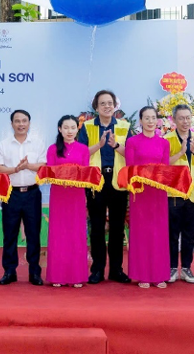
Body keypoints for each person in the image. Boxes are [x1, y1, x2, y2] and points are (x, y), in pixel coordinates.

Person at [78, 90, 131, 284]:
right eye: (103, 103)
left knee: (117, 228)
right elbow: (81, 153)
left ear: (115, 106)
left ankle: (116, 270)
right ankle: (98, 269)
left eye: (110, 103)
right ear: (96, 107)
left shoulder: (125, 127)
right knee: (97, 227)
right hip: (96, 182)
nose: (107, 106)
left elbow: (132, 155)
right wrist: (99, 145)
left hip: (118, 180)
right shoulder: (88, 127)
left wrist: (116, 145)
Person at [0, 109, 46, 286]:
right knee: (10, 234)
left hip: (32, 193)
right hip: (11, 194)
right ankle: (9, 271)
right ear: (11, 124)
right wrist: (15, 169)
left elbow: (44, 166)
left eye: (24, 121)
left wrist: (28, 166)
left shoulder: (38, 143)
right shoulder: (3, 144)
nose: (21, 124)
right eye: (17, 121)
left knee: (33, 234)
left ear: (29, 123)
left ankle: (34, 272)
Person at [124, 106, 171, 289]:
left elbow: (165, 169)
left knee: (158, 233)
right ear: (141, 121)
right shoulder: (132, 142)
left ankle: (159, 275)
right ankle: (142, 274)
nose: (151, 121)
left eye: (153, 118)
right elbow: (130, 168)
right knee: (142, 232)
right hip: (140, 192)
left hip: (158, 192)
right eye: (147, 118)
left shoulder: (163, 143)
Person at [46, 115, 91, 287]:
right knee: (59, 234)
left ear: (77, 129)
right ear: (59, 129)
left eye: (73, 127)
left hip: (77, 196)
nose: (69, 131)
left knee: (76, 233)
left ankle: (77, 276)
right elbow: (50, 173)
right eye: (66, 128)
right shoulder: (52, 149)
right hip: (59, 195)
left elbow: (85, 174)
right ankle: (57, 276)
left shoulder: (83, 149)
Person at [164, 104, 194, 284]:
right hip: (174, 192)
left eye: (188, 117)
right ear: (173, 120)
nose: (185, 121)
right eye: (181, 118)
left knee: (189, 234)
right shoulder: (166, 140)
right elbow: (162, 164)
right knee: (172, 233)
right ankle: (173, 268)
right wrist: (181, 152)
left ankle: (187, 268)